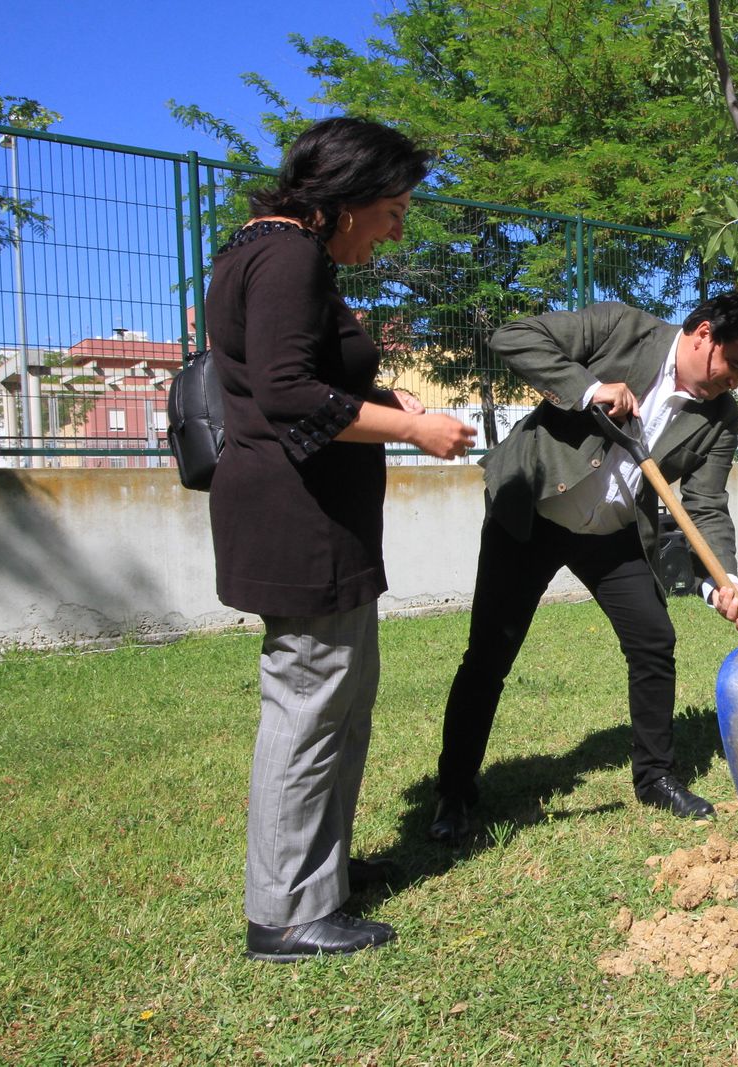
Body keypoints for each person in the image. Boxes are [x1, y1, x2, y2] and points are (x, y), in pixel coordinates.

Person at [206, 117, 478, 961]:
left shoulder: (261, 248)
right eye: (394, 208)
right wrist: (412, 428)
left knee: (338, 700)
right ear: (348, 200)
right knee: (310, 703)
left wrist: (387, 399)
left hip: (313, 515)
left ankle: (313, 875)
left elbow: (294, 376)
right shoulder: (289, 256)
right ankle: (285, 912)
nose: (400, 227)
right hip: (300, 519)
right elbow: (286, 392)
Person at [431, 291, 738, 842]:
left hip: (612, 531)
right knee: (490, 653)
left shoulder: (721, 417)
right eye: (732, 365)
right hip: (535, 511)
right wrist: (591, 387)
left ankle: (655, 777)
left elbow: (706, 505)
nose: (731, 381)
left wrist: (724, 579)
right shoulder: (623, 328)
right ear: (703, 333)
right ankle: (453, 790)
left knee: (653, 640)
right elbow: (512, 337)